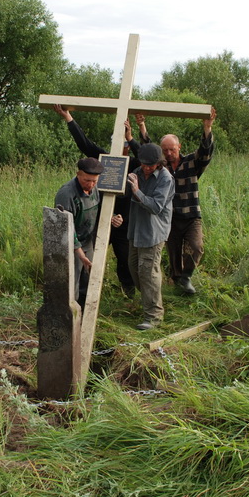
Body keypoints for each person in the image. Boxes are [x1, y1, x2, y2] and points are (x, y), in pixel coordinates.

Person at [53, 104, 140, 297]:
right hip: (98, 219)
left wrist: (132, 138)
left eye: (125, 147)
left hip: (123, 221)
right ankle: (87, 296)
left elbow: (145, 156)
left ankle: (128, 292)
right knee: (89, 260)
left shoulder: (134, 164)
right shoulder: (103, 161)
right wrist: (69, 118)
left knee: (125, 259)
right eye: (119, 146)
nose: (121, 150)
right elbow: (84, 143)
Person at [135, 106, 216, 295]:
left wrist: (207, 128)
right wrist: (142, 125)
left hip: (190, 215)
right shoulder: (161, 168)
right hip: (169, 217)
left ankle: (186, 276)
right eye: (165, 150)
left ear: (179, 147)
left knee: (196, 247)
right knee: (173, 252)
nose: (169, 153)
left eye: (172, 149)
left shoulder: (191, 163)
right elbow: (148, 149)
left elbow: (205, 152)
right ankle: (177, 280)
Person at [54, 157, 123, 309]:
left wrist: (111, 218)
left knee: (88, 278)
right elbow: (65, 228)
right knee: (73, 283)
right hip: (70, 245)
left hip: (87, 241)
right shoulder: (66, 194)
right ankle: (71, 315)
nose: (91, 185)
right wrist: (80, 254)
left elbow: (97, 210)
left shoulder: (94, 189)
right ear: (78, 174)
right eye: (87, 180)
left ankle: (86, 315)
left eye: (94, 181)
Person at [126, 143, 175, 330]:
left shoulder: (165, 178)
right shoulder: (136, 171)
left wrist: (137, 191)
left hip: (153, 232)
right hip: (136, 229)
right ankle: (149, 301)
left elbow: (155, 207)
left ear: (159, 163)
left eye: (151, 165)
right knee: (134, 268)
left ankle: (154, 317)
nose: (147, 168)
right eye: (144, 164)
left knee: (148, 272)